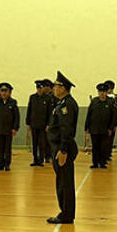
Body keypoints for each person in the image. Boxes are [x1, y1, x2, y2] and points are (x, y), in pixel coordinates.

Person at [47, 72, 79, 224]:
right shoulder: (61, 103)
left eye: (56, 85)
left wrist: (63, 150)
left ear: (63, 88)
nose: (54, 88)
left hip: (62, 148)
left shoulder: (67, 105)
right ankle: (65, 212)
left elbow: (66, 129)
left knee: (65, 183)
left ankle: (66, 214)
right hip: (59, 147)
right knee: (62, 181)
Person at [0, 83, 20, 171]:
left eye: (5, 91)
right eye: (2, 91)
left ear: (10, 92)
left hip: (8, 130)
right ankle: (1, 164)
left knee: (7, 149)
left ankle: (7, 164)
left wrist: (15, 128)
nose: (3, 93)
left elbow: (16, 117)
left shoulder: (13, 103)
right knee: (0, 149)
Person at [85, 83, 115, 169]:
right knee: (95, 146)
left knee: (103, 147)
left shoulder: (110, 102)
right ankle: (95, 163)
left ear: (106, 93)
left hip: (105, 129)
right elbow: (89, 114)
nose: (102, 93)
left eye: (104, 92)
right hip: (94, 129)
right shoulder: (94, 101)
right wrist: (86, 127)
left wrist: (111, 128)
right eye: (100, 91)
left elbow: (113, 116)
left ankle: (102, 162)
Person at [26, 80, 52, 166]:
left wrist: (48, 124)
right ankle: (35, 159)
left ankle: (41, 160)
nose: (39, 90)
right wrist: (28, 123)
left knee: (42, 144)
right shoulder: (32, 97)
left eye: (41, 88)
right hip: (34, 124)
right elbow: (29, 110)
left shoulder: (47, 98)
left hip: (43, 125)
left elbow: (49, 113)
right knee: (34, 143)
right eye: (38, 88)